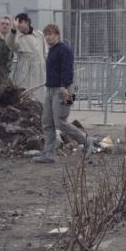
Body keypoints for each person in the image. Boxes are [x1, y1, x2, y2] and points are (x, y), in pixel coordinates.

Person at [34, 24, 95, 164]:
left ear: (57, 34)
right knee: (47, 122)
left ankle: (87, 141)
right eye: (46, 35)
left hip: (65, 90)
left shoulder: (64, 49)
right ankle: (49, 154)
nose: (48, 37)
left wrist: (64, 87)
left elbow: (68, 70)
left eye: (51, 34)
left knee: (60, 122)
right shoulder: (52, 50)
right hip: (50, 90)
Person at [8, 13, 46, 101]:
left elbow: (44, 52)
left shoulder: (39, 35)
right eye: (17, 23)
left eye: (20, 22)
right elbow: (10, 44)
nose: (18, 25)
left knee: (39, 95)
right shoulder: (16, 37)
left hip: (39, 70)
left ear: (27, 22)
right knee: (24, 96)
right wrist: (13, 30)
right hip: (24, 71)